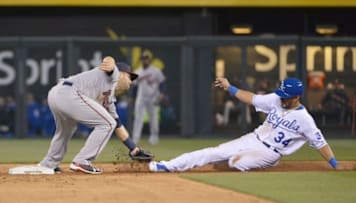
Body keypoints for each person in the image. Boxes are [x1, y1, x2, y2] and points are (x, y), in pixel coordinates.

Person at [149, 77, 340, 172]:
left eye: (286, 97)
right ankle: (166, 166)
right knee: (212, 152)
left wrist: (334, 164)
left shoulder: (305, 119)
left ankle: (230, 163)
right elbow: (252, 99)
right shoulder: (276, 99)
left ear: (297, 97)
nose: (281, 99)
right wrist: (230, 87)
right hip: (253, 138)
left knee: (234, 162)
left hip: (270, 153)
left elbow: (320, 143)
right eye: (281, 94)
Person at [37, 56, 153, 174]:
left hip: (56, 94)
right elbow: (109, 63)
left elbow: (118, 125)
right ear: (122, 73)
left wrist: (134, 149)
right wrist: (110, 61)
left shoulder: (109, 97)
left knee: (67, 130)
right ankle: (82, 161)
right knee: (107, 123)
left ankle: (49, 164)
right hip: (68, 93)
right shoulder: (114, 76)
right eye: (130, 77)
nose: (131, 81)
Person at [132, 52, 166, 145]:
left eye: (146, 58)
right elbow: (134, 87)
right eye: (143, 58)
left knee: (153, 118)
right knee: (138, 118)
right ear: (141, 60)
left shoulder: (156, 71)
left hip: (153, 97)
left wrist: (162, 93)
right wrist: (133, 97)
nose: (145, 60)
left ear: (149, 60)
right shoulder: (137, 71)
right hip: (141, 98)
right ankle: (135, 138)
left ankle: (154, 137)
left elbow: (162, 82)